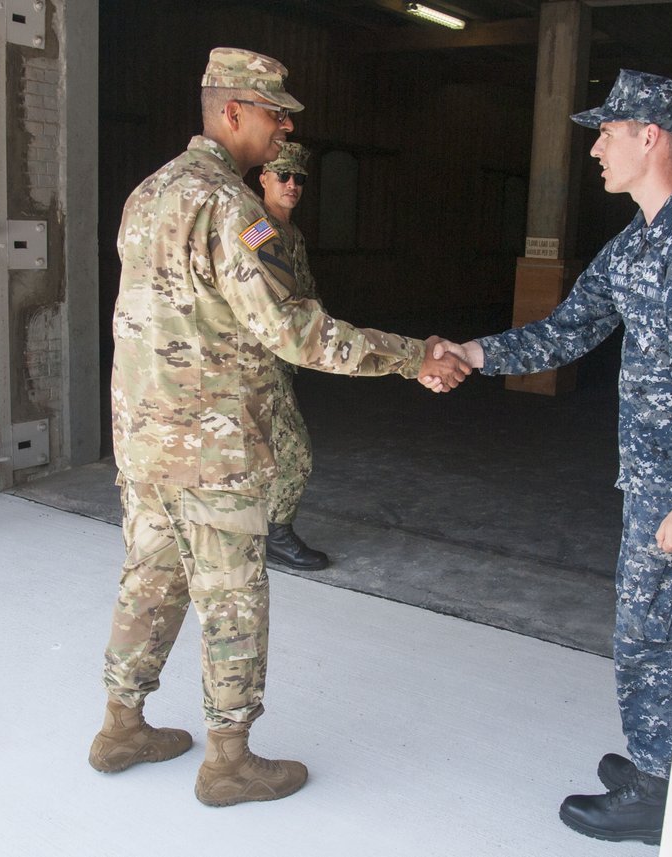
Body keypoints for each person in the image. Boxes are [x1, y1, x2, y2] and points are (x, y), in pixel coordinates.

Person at [89, 47, 468, 807]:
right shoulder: (233, 209)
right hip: (212, 450)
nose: (286, 126)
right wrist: (410, 356)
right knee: (230, 596)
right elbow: (294, 333)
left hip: (144, 440)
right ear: (232, 112)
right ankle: (228, 760)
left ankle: (120, 724)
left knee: (150, 580)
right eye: (274, 112)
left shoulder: (149, 192)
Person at [426, 70, 672, 844]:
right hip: (652, 479)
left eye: (608, 132)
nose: (596, 148)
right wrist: (471, 350)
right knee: (647, 630)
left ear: (651, 138)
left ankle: (660, 792)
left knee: (655, 638)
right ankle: (657, 761)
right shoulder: (638, 244)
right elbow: (564, 330)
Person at [257, 142, 328, 571]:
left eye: (299, 178)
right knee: (295, 455)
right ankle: (275, 534)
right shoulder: (257, 230)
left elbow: (306, 294)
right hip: (260, 360)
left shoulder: (292, 234)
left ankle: (256, 532)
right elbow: (269, 300)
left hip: (282, 357)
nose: (291, 185)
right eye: (282, 175)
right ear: (262, 177)